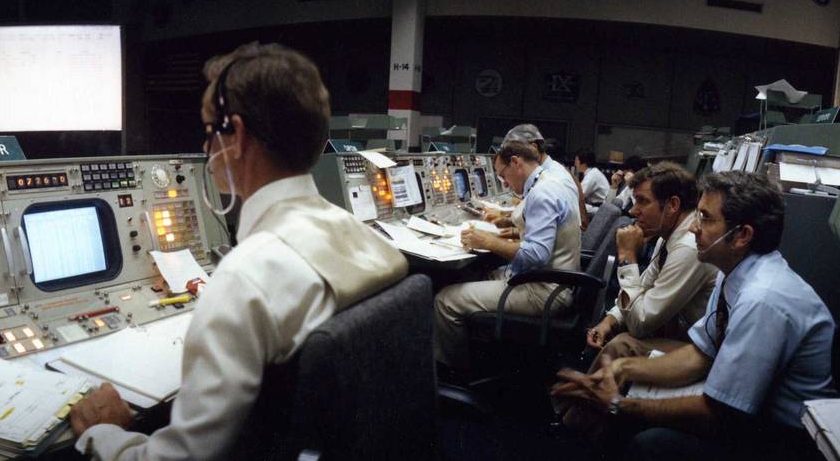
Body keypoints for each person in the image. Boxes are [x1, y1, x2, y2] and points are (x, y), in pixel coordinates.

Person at [69, 42, 409, 460]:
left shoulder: (243, 281)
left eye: (209, 130)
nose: (206, 147)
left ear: (238, 135)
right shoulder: (364, 236)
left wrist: (107, 434)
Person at [552, 171, 834, 460]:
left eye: (705, 218)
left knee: (650, 442)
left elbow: (721, 413)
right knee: (627, 395)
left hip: (782, 438)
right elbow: (701, 355)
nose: (692, 228)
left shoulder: (763, 300)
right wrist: (623, 368)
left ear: (742, 236)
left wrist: (619, 404)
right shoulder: (735, 273)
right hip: (749, 411)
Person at [435, 140, 580, 370]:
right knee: (477, 273)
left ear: (516, 162)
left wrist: (487, 241)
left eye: (504, 175)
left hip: (542, 291)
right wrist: (512, 229)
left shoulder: (542, 193)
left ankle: (452, 374)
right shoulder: (549, 183)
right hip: (554, 283)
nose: (504, 182)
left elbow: (536, 254)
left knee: (445, 300)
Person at [585, 162, 717, 363]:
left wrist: (627, 257)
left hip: (701, 351)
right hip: (676, 332)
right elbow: (644, 288)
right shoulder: (667, 236)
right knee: (618, 337)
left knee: (621, 345)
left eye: (642, 201)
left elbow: (641, 324)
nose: (633, 211)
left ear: (673, 205)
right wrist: (611, 320)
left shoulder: (688, 247)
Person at [503, 124, 589, 230]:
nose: (514, 162)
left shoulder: (552, 179)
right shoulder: (550, 171)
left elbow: (541, 237)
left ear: (533, 148)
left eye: (515, 156)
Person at [574, 148, 610, 214]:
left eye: (576, 160)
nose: (575, 163)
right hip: (596, 205)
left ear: (584, 163)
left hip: (600, 208)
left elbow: (579, 195)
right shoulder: (592, 172)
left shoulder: (592, 175)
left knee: (575, 206)